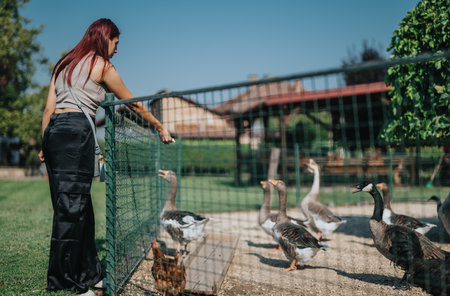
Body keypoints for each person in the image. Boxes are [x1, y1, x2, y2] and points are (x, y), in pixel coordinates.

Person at [38, 18, 172, 295]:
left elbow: (48, 109)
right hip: (76, 134)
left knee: (79, 208)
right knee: (71, 210)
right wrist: (158, 125)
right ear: (104, 38)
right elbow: (132, 103)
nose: (117, 49)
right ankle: (66, 280)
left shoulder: (63, 64)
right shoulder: (103, 66)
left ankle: (91, 273)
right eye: (116, 43)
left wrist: (45, 142)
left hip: (55, 134)